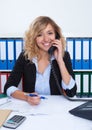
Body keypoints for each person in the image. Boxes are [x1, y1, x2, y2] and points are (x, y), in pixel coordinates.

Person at [4, 16, 77, 105]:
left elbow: (71, 92)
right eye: (40, 35)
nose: (46, 39)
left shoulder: (64, 56)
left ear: (56, 36)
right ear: (34, 38)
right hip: (32, 108)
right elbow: (8, 87)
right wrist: (27, 97)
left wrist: (60, 61)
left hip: (56, 108)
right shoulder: (25, 57)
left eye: (50, 33)